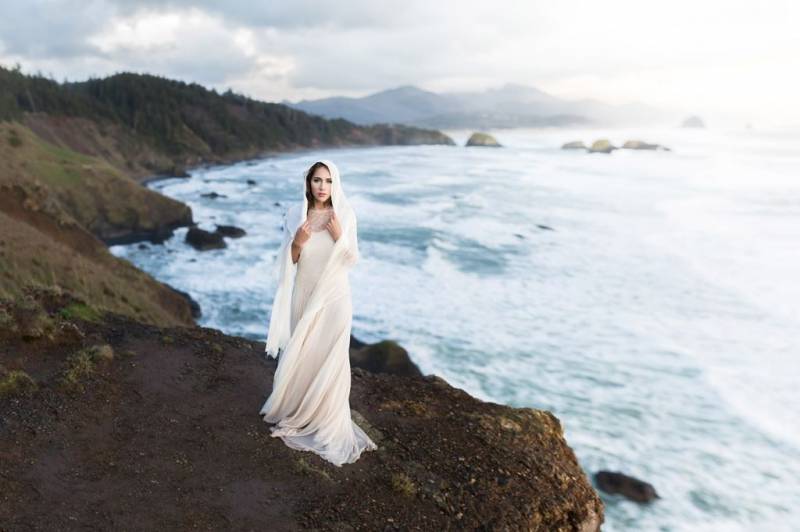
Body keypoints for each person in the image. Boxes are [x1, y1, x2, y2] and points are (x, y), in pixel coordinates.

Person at [259, 159, 378, 466]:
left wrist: (339, 235)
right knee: (304, 354)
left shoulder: (345, 215)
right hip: (304, 293)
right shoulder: (295, 215)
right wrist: (297, 243)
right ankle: (298, 411)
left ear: (335, 184)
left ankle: (325, 419)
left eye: (327, 181)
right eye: (317, 180)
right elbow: (291, 261)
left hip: (335, 297)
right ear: (308, 183)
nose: (322, 186)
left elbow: (352, 259)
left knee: (330, 357)